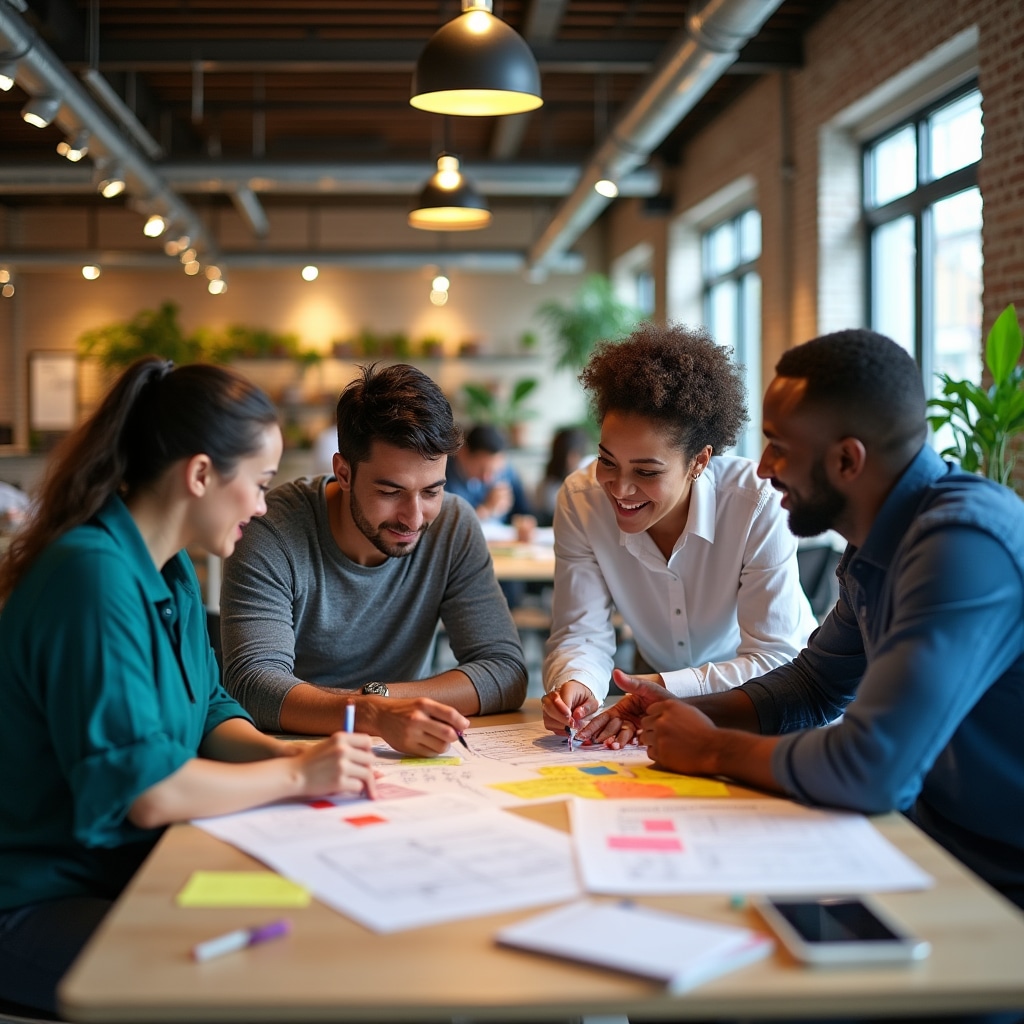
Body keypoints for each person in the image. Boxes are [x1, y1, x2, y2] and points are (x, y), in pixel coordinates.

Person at [583, 328, 1024, 913]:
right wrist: (688, 710)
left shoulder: (961, 547)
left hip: (996, 879)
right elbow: (815, 684)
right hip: (925, 846)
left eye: (779, 446)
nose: (763, 469)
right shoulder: (879, 539)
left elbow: (871, 768)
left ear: (847, 460)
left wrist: (713, 751)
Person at [0, 358, 377, 1017]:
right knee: (244, 982)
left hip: (120, 869)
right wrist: (298, 778)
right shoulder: (89, 578)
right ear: (200, 475)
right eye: (259, 483)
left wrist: (291, 755)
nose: (263, 505)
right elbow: (146, 792)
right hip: (32, 897)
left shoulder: (167, 569)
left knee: (311, 930)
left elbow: (209, 708)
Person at [220, 363, 527, 756]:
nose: (414, 518)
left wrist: (382, 702)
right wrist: (372, 713)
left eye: (432, 491)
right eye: (390, 491)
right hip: (291, 756)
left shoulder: (453, 524)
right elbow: (253, 685)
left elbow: (505, 670)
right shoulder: (272, 530)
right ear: (343, 472)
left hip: (402, 754)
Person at [542, 322, 817, 736]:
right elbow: (581, 630)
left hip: (772, 705)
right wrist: (577, 683)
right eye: (608, 461)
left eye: (647, 471)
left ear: (699, 462)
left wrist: (660, 688)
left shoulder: (756, 502)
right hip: (656, 697)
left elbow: (774, 659)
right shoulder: (581, 500)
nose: (620, 488)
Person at [444, 422, 533, 525]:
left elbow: (524, 513)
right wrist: (486, 509)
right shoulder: (443, 478)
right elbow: (448, 527)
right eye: (482, 469)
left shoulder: (507, 471)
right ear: (463, 454)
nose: (487, 479)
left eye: (494, 471)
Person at [534, 425, 591, 527]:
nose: (570, 459)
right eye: (566, 454)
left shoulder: (588, 471)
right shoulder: (549, 483)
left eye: (575, 454)